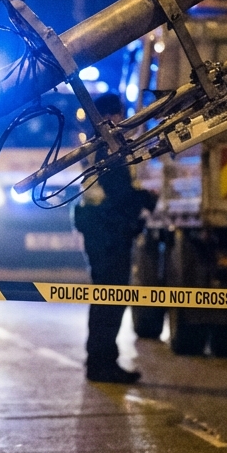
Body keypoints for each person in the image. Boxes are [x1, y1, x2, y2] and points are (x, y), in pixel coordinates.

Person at [72, 93, 157, 384]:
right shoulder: (108, 146)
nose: (124, 120)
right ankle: (101, 363)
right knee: (110, 299)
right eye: (120, 115)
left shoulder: (99, 143)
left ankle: (102, 361)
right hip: (107, 235)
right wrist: (145, 198)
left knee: (106, 299)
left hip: (103, 231)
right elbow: (119, 193)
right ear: (110, 116)